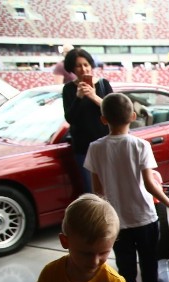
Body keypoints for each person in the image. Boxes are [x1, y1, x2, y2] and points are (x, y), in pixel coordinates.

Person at [85, 92, 169, 282]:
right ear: (132, 116)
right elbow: (150, 185)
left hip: (117, 223)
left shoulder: (95, 148)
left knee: (126, 269)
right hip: (145, 219)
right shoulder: (140, 145)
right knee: (149, 268)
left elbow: (98, 192)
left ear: (103, 119)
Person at [62, 47, 112, 194]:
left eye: (86, 64)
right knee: (92, 190)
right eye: (78, 65)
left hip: (105, 144)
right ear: (72, 68)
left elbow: (113, 111)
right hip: (83, 148)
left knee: (110, 187)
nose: (83, 69)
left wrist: (94, 97)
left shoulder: (103, 84)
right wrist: (79, 97)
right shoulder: (69, 89)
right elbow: (70, 118)